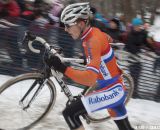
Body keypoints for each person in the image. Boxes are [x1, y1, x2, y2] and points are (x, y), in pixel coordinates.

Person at [45, 2, 135, 130]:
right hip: (112, 88)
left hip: (112, 91)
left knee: (69, 114)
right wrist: (93, 58)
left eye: (67, 25)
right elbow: (107, 41)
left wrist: (62, 68)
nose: (65, 29)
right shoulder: (92, 34)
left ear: (81, 23)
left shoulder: (91, 41)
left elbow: (89, 79)